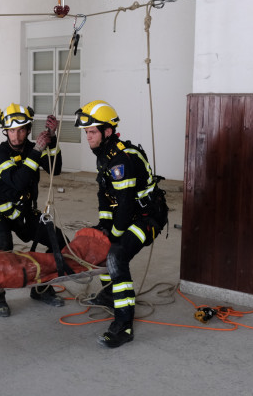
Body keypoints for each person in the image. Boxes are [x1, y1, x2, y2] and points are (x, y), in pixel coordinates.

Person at [74, 100, 168, 349]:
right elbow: (106, 197)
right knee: (97, 240)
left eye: (92, 132)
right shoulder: (104, 155)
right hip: (128, 214)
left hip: (147, 217)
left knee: (115, 255)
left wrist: (112, 235)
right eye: (86, 133)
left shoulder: (121, 160)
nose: (88, 138)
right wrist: (104, 226)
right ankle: (109, 293)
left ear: (107, 131)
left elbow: (125, 207)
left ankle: (124, 325)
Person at [0, 103, 65, 317]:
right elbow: (18, 182)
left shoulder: (31, 148)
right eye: (11, 131)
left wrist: (53, 137)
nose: (16, 136)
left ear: (28, 130)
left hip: (26, 214)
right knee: (4, 246)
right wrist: (37, 150)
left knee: (60, 243)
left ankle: (41, 288)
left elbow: (56, 169)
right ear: (5, 131)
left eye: (20, 130)